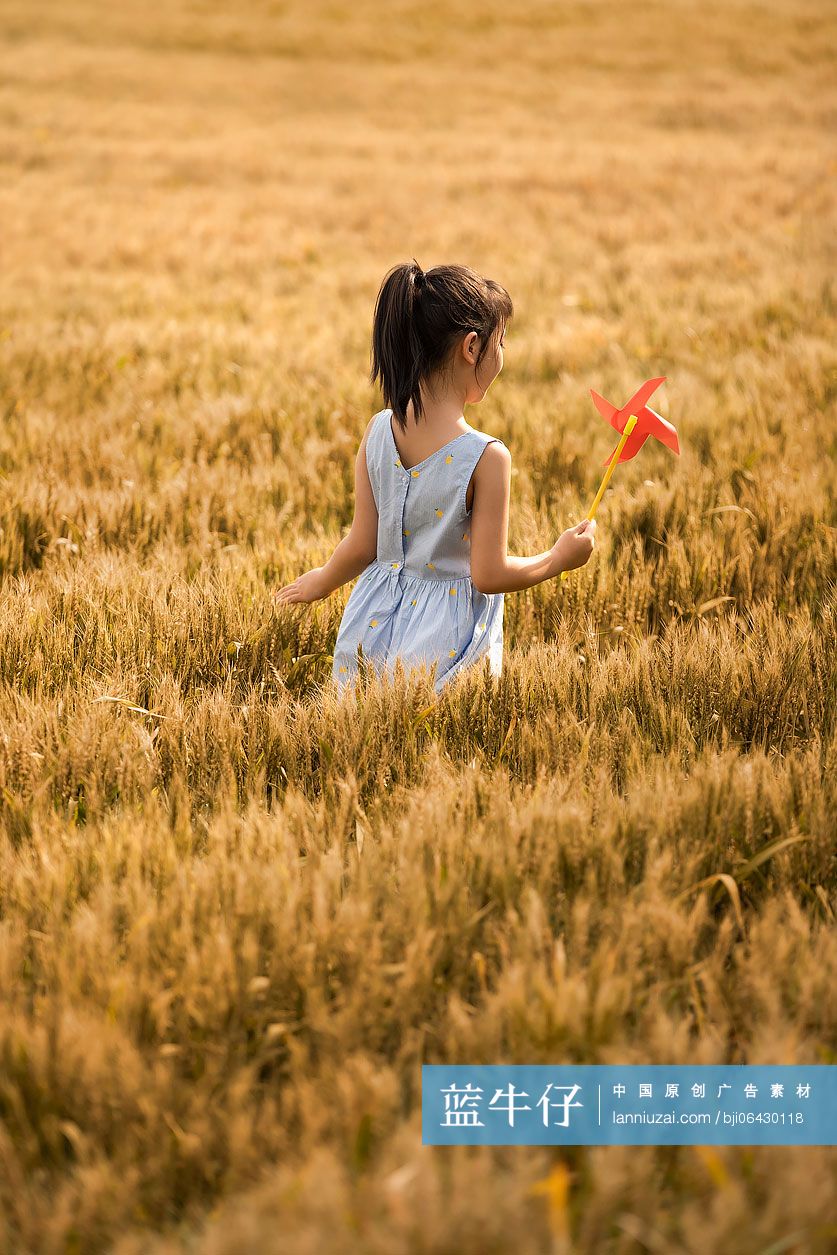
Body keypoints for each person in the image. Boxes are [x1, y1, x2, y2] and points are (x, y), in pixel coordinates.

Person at [273, 259, 597, 694]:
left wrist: (322, 580)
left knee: (367, 741)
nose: (502, 356)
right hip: (442, 642)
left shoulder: (377, 432)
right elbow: (489, 574)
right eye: (501, 342)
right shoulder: (486, 457)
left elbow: (362, 542)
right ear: (471, 347)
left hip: (370, 624)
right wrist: (558, 559)